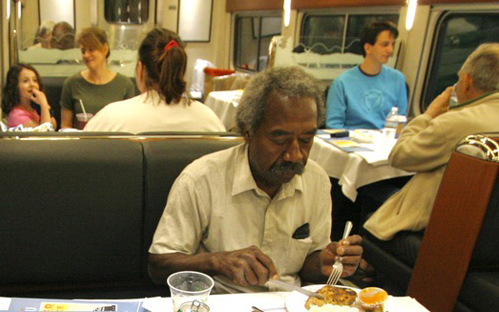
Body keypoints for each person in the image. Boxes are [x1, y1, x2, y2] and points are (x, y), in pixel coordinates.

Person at [148, 66, 362, 291]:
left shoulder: (316, 180)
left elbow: (308, 265)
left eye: (307, 139)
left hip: (291, 309)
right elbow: (158, 267)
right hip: (221, 307)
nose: (295, 155)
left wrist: (324, 263)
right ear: (248, 131)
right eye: (280, 140)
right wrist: (217, 261)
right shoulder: (202, 179)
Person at [363, 43, 499, 241]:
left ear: (467, 81)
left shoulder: (455, 122)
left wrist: (428, 115)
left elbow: (400, 156)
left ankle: (363, 257)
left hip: (434, 223)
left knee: (369, 194)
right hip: (485, 228)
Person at [84, 28, 225, 133]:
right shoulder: (210, 121)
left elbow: (82, 156)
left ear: (140, 69)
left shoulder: (109, 118)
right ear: (180, 71)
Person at [325, 20, 408, 130]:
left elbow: (401, 121)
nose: (390, 50)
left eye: (392, 44)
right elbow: (333, 125)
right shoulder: (341, 83)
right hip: (351, 142)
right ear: (368, 48)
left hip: (385, 141)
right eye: (385, 45)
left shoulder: (398, 79)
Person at [59, 27, 136, 130]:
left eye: (91, 49)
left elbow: (129, 125)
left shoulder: (125, 84)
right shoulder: (71, 83)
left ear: (105, 49)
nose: (86, 55)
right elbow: (65, 126)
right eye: (83, 51)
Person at [1, 63, 53, 129]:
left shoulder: (35, 108)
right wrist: (44, 105)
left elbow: (53, 124)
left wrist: (43, 108)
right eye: (25, 81)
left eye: (35, 80)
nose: (32, 84)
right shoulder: (16, 115)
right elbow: (44, 132)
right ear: (15, 86)